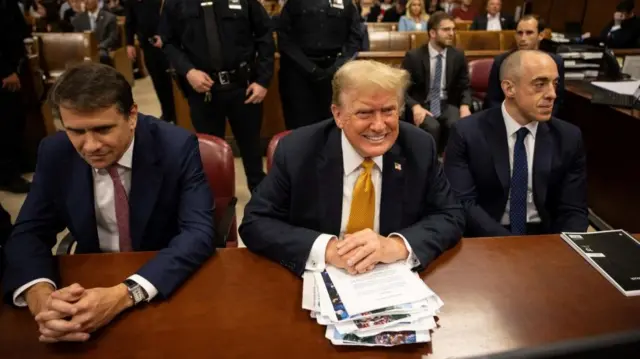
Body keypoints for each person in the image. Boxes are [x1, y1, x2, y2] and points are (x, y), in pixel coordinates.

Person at [2, 63, 215, 342]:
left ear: (132, 116)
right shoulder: (55, 152)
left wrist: (125, 294)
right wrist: (42, 298)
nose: (90, 146)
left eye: (103, 129)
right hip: (88, 280)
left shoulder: (176, 145)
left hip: (161, 280)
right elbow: (29, 231)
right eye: (76, 131)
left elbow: (198, 232)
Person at [239, 60, 464, 276]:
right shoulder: (298, 150)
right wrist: (327, 249)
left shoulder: (419, 146)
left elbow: (450, 215)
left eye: (388, 111)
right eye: (364, 113)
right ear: (338, 115)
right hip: (319, 276)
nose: (378, 126)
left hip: (392, 279)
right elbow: (255, 222)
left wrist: (395, 246)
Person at [444, 50, 588, 237]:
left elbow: (573, 209)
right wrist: (513, 246)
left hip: (546, 237)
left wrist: (561, 247)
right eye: (540, 84)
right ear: (509, 88)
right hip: (486, 235)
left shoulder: (568, 136)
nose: (552, 94)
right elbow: (463, 203)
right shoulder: (467, 132)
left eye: (555, 84)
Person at [162, 0, 274, 193]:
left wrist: (263, 80)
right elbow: (168, 41)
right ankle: (217, 207)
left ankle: (261, 204)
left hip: (243, 88)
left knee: (252, 151)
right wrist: (188, 71)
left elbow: (264, 34)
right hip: (203, 91)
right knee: (209, 157)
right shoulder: (175, 3)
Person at [277, 0, 362, 130]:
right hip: (298, 74)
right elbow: (284, 38)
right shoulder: (293, 3)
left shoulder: (347, 4)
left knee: (334, 125)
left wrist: (336, 67)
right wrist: (310, 68)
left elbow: (355, 39)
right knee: (299, 126)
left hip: (335, 74)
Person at [402, 11, 472, 155]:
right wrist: (415, 107)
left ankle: (451, 166)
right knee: (431, 127)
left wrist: (465, 106)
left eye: (453, 29)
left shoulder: (457, 55)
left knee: (457, 124)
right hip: (422, 104)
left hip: (447, 103)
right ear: (432, 33)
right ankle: (429, 166)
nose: (451, 33)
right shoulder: (414, 56)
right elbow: (402, 89)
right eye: (446, 29)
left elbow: (464, 86)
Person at [484, 15, 564, 115]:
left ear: (541, 35)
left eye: (529, 33)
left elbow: (558, 99)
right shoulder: (501, 61)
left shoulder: (554, 61)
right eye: (519, 33)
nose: (523, 38)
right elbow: (493, 99)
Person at [124, 0, 176, 124]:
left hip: (168, 42)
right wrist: (129, 44)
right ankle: (167, 113)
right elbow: (130, 22)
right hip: (148, 45)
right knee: (158, 80)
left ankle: (177, 113)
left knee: (172, 81)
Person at [0, 0, 32, 194]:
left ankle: (19, 161)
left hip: (16, 65)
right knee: (4, 123)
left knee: (16, 118)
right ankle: (7, 174)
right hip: (4, 72)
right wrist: (4, 71)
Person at [72, 0, 120, 65]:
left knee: (101, 55)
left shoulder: (109, 17)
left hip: (103, 49)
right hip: (85, 49)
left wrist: (99, 46)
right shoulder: (78, 19)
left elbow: (112, 37)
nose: (86, 1)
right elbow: (77, 38)